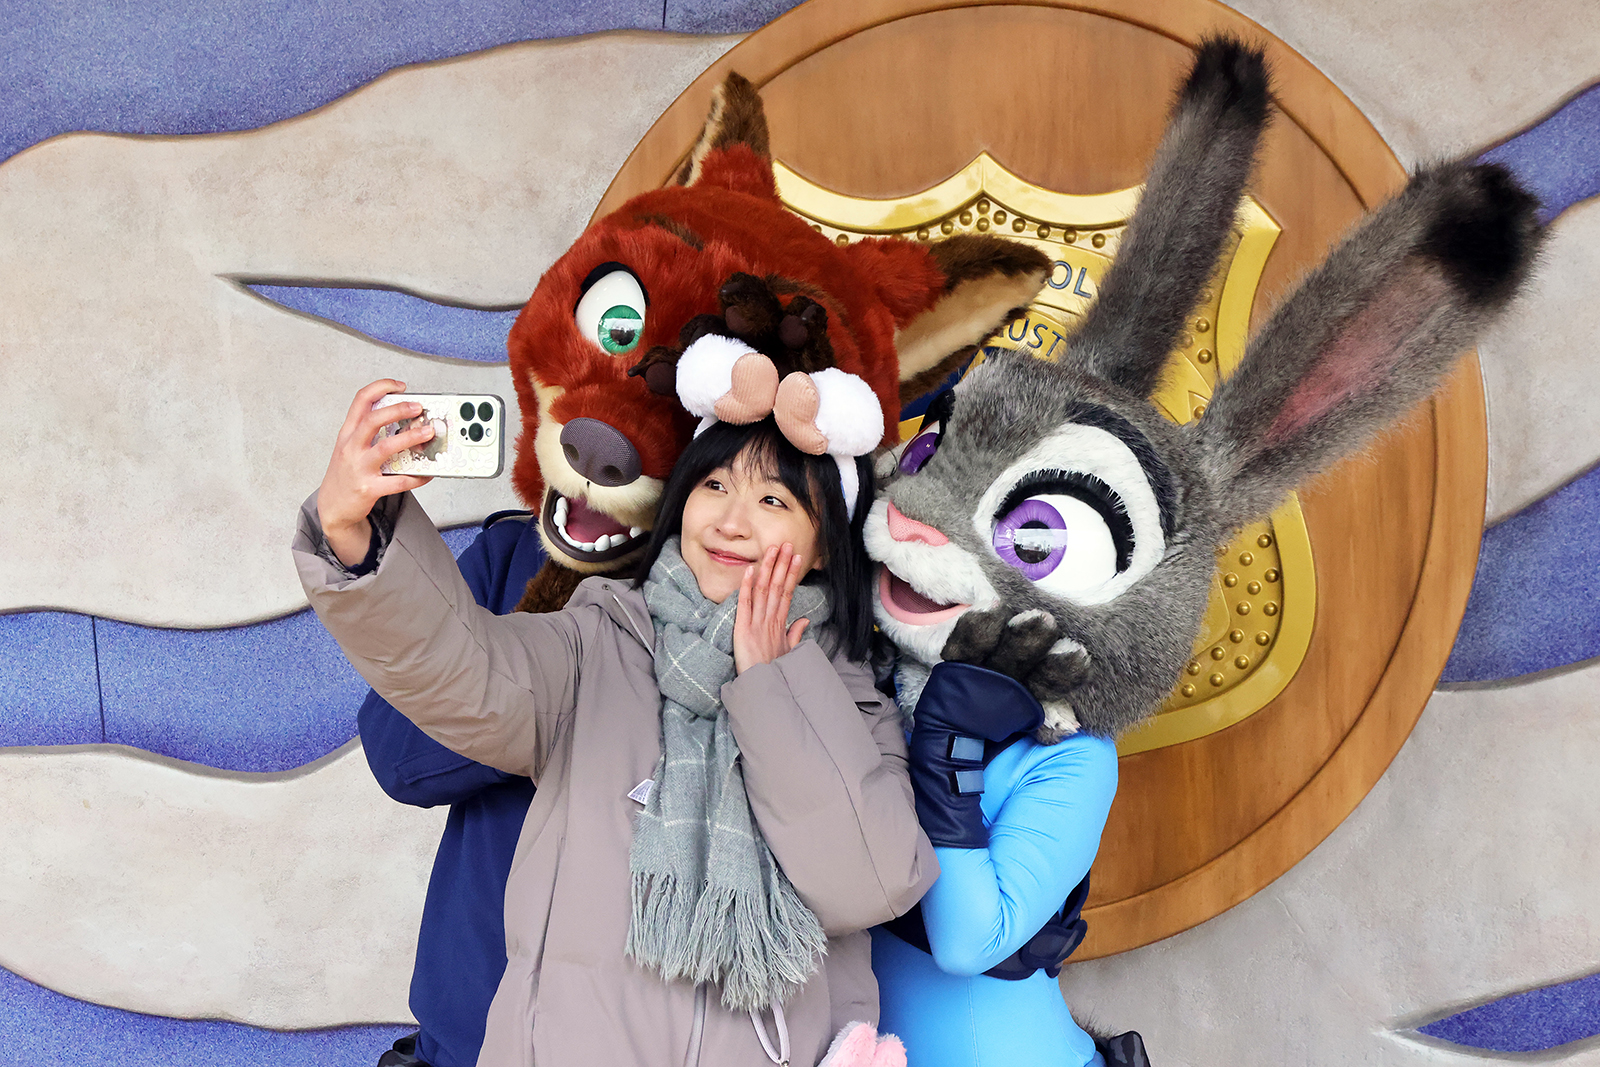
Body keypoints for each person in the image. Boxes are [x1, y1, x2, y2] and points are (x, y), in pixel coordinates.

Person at [293, 379, 935, 1067]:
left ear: (824, 547)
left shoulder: (852, 694)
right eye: (713, 486)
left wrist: (771, 685)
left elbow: (869, 880)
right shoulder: (598, 640)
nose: (731, 520)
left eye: (773, 499)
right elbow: (465, 671)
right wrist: (356, 538)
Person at [355, 508, 544, 1067]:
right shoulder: (517, 553)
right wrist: (543, 689)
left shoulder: (747, 586)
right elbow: (395, 750)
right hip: (470, 1025)